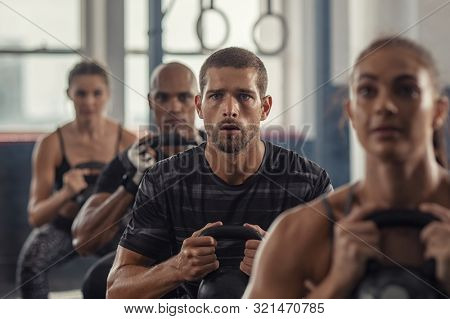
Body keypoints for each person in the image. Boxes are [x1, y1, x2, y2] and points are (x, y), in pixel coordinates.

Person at [106, 47, 333, 299]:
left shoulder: (308, 182)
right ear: (199, 106)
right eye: (215, 96)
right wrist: (177, 268)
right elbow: (116, 290)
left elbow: (343, 288)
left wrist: (283, 268)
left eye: (245, 96)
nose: (229, 109)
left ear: (265, 107)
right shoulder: (162, 180)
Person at [244, 36, 450, 298]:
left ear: (438, 110)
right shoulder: (297, 233)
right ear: (352, 112)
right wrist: (335, 284)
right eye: (367, 91)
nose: (384, 106)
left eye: (406, 90)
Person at [71, 62, 206, 298]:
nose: (174, 106)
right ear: (151, 101)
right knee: (96, 282)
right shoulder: (131, 160)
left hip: (207, 256)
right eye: (163, 97)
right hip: (148, 258)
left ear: (198, 102)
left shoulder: (221, 153)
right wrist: (133, 182)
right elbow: (82, 239)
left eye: (183, 97)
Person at [16, 61, 136, 298]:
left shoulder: (126, 140)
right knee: (32, 263)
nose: (89, 101)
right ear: (69, 94)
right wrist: (65, 193)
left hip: (110, 226)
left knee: (143, 260)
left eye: (96, 93)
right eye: (81, 93)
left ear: (107, 95)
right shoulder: (51, 144)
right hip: (66, 227)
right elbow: (36, 216)